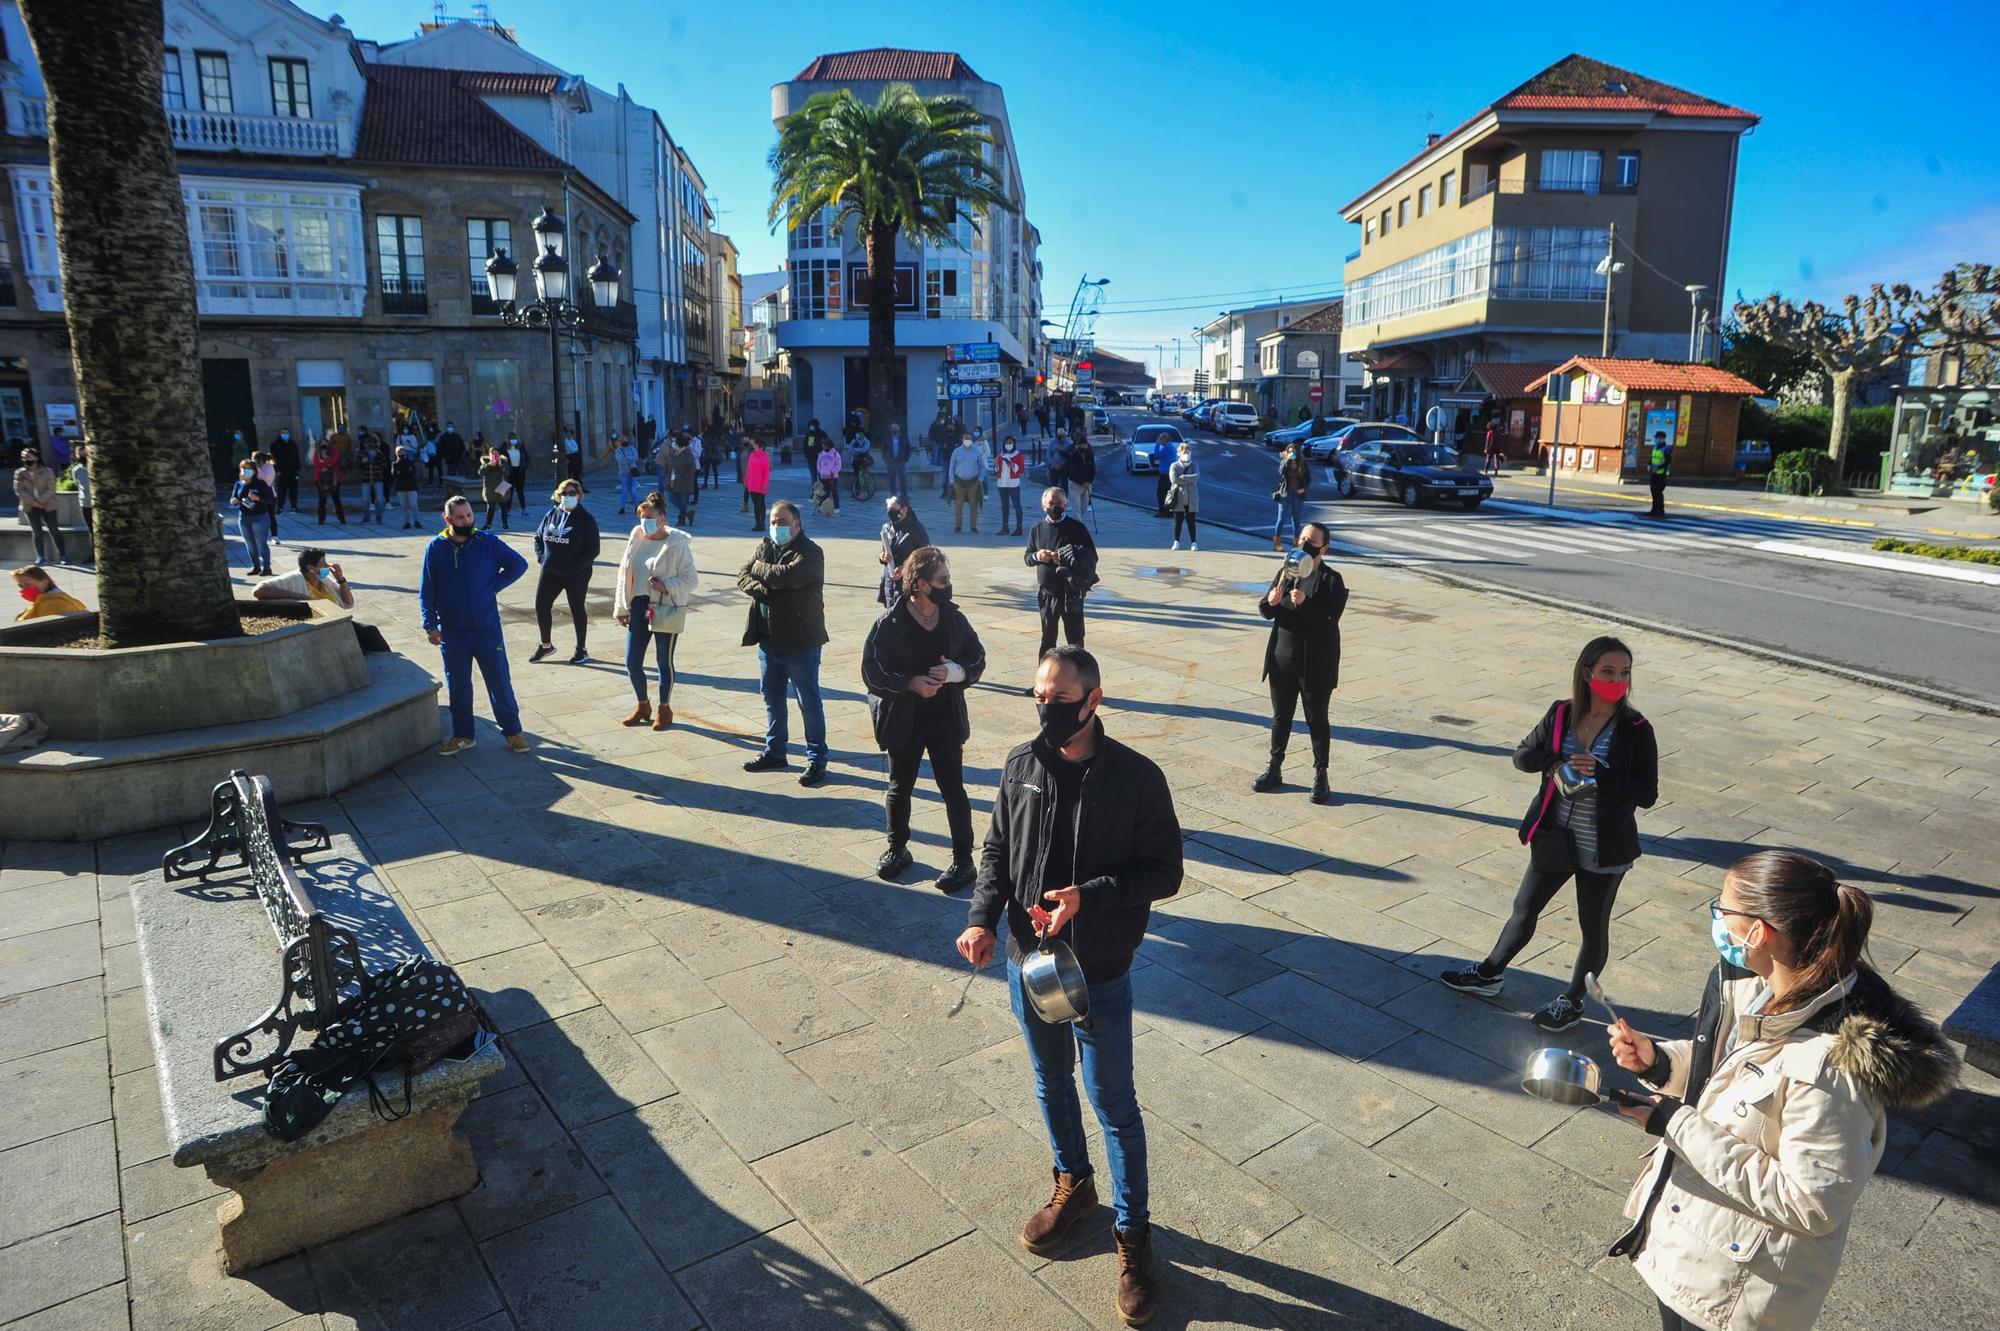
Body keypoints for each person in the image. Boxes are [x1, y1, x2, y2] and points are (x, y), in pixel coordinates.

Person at [1605, 850, 1957, 1331]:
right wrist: (1660, 1060)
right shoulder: (1760, 988)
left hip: (1739, 1288)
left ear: (1758, 932)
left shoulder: (1830, 1067)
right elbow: (1735, 1074)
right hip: (1696, 1245)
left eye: (1722, 910)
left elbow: (1812, 1201)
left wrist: (1676, 1123)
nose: (1717, 919)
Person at [956, 645, 1182, 1329]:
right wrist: (980, 919)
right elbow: (996, 849)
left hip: (1101, 969)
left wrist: (1089, 896)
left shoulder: (1138, 778)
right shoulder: (1022, 765)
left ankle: (1133, 1234)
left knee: (1113, 1100)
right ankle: (1073, 1182)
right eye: (1038, 695)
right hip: (1029, 963)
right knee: (1050, 1081)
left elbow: (1164, 872)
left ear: (1093, 699)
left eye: (1058, 696)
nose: (1045, 707)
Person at [1440, 635, 1660, 1032]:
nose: (1618, 679)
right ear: (1587, 673)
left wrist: (1604, 774)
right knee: (1524, 908)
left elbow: (1647, 794)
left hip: (1603, 846)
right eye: (1608, 671)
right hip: (1556, 834)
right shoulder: (1562, 713)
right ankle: (1490, 974)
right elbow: (1522, 756)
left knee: (1592, 927)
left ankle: (1573, 1001)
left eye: (1625, 672)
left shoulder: (1636, 729)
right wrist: (1558, 763)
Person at [862, 546, 986, 892]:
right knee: (900, 787)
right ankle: (897, 849)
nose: (948, 585)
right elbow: (872, 672)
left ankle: (963, 860)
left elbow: (977, 657)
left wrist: (955, 672)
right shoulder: (890, 623)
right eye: (942, 579)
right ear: (919, 584)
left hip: (945, 717)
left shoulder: (952, 618)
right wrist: (911, 683)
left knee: (953, 789)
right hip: (905, 718)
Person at [421, 496, 531, 755]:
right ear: (448, 520)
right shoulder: (436, 548)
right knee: (458, 684)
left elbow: (519, 564)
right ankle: (463, 735)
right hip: (452, 631)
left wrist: (492, 587)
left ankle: (513, 732)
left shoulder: (487, 542)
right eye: (460, 517)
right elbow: (427, 589)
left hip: (486, 627)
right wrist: (430, 624)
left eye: (469, 515)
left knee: (499, 681)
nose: (467, 521)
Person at [737, 500, 830, 786]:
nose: (776, 526)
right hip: (768, 639)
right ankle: (775, 750)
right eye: (773, 521)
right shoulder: (765, 548)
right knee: (772, 697)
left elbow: (788, 577)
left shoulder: (811, 552)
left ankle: (817, 759)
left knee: (808, 700)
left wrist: (761, 572)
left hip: (801, 640)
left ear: (797, 524)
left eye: (782, 521)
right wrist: (765, 584)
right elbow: (743, 576)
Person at [1253, 523, 1346, 803]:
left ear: (1324, 548)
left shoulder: (1332, 580)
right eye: (1303, 538)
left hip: (1315, 663)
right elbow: (1265, 611)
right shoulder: (1287, 572)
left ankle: (1321, 775)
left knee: (1316, 720)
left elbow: (1330, 621)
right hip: (1282, 658)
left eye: (1312, 541)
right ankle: (1275, 768)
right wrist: (1270, 601)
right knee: (1281, 717)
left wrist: (1306, 603)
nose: (1305, 544)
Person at [615, 492, 697, 731]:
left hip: (665, 606)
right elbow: (624, 574)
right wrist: (622, 607)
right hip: (639, 606)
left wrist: (666, 586)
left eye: (649, 517)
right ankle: (643, 705)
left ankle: (664, 708)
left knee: (663, 660)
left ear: (662, 518)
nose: (644, 522)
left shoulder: (677, 544)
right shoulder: (637, 538)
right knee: (632, 662)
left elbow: (691, 579)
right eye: (642, 517)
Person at [253, 547, 391, 653]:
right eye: (323, 563)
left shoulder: (324, 579)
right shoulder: (294, 579)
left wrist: (341, 580)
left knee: (370, 631)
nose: (327, 565)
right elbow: (258, 590)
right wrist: (291, 594)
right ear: (311, 568)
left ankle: (391, 662)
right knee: (358, 646)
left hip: (339, 622)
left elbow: (348, 603)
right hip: (321, 627)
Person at [1024, 487, 1097, 687]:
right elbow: (1027, 557)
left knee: (1075, 641)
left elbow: (1091, 556)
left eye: (1059, 504)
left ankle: (1082, 683)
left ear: (1066, 504)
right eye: (1051, 504)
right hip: (1047, 594)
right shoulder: (1037, 528)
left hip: (1071, 593)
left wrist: (1066, 556)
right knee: (1047, 639)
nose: (1055, 507)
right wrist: (1037, 556)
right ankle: (1043, 683)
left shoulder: (1076, 527)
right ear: (1043, 505)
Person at [529, 477, 602, 665]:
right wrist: (542, 557)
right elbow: (538, 538)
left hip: (576, 573)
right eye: (564, 493)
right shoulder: (551, 514)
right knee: (541, 605)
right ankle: (546, 645)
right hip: (551, 570)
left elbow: (594, 549)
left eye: (572, 493)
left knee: (577, 608)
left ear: (579, 496)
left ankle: (581, 649)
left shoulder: (586, 519)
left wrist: (576, 565)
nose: (567, 496)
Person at [12, 448, 65, 565]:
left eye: (29, 456)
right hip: (30, 506)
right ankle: (40, 556)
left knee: (54, 530)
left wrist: (41, 501)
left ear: (36, 458)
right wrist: (33, 502)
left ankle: (62, 555)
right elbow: (19, 490)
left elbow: (51, 489)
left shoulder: (47, 471)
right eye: (24, 457)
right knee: (37, 532)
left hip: (48, 505)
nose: (26, 459)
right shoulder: (20, 473)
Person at [877, 494, 930, 609]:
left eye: (893, 510)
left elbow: (926, 555)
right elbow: (884, 550)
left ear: (904, 509)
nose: (890, 513)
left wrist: (905, 567)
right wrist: (882, 557)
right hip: (890, 580)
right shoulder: (886, 527)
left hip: (909, 582)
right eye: (889, 510)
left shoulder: (916, 529)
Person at [230, 457, 276, 576]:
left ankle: (266, 567)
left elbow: (270, 499)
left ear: (254, 471)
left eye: (248, 469)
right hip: (244, 517)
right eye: (243, 469)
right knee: (249, 544)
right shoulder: (239, 484)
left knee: (261, 543)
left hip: (260, 516)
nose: (245, 471)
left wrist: (258, 498)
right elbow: (233, 498)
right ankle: (256, 566)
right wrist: (234, 500)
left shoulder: (260, 483)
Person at [1273, 442, 1310, 553]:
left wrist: (1304, 488)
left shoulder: (1302, 463)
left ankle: (1296, 545)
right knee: (1281, 519)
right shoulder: (1286, 462)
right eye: (1289, 451)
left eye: (1293, 451)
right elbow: (1281, 472)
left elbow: (1308, 478)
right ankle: (1277, 544)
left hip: (1298, 495)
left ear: (1297, 452)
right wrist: (1286, 459)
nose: (1291, 453)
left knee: (1296, 520)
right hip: (1285, 493)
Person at [12, 564, 85, 620]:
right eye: (21, 586)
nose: (24, 589)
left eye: (28, 584)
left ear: (45, 582)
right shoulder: (43, 599)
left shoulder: (53, 604)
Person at [947, 432, 985, 532]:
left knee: (973, 505)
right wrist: (952, 481)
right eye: (966, 438)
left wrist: (980, 480)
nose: (967, 440)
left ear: (972, 440)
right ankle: (958, 525)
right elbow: (951, 466)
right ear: (962, 439)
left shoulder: (977, 451)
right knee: (959, 504)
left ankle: (973, 526)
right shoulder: (956, 451)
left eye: (969, 438)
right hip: (959, 482)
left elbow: (982, 466)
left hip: (973, 482)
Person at [1166, 441, 1200, 551]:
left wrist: (1184, 477)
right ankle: (1176, 542)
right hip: (1179, 497)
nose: (1187, 454)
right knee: (1178, 520)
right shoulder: (1174, 466)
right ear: (1179, 453)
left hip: (1191, 497)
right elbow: (1174, 480)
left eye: (1188, 452)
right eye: (1184, 452)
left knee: (1191, 521)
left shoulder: (1194, 465)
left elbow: (1197, 477)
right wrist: (1189, 479)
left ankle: (1194, 543)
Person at [664, 434, 700, 528]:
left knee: (683, 501)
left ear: (679, 445)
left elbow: (692, 468)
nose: (674, 444)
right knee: (671, 498)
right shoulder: (673, 453)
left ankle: (681, 520)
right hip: (672, 481)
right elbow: (668, 465)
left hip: (683, 482)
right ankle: (688, 512)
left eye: (675, 443)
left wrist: (686, 478)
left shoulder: (687, 454)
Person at [995, 435, 1027, 535]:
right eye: (1007, 443)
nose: (1008, 445)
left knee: (1017, 506)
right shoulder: (1001, 455)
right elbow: (997, 470)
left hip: (1013, 484)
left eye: (1010, 443)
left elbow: (1021, 469)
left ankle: (1019, 528)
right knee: (1004, 506)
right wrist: (996, 464)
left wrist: (1013, 465)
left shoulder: (1018, 455)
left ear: (1014, 444)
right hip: (1002, 483)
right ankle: (1005, 527)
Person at [355, 433, 388, 524]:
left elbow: (385, 465)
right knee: (365, 500)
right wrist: (362, 462)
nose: (370, 445)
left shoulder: (379, 453)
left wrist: (376, 457)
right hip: (366, 479)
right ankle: (366, 517)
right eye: (367, 443)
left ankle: (379, 517)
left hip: (377, 478)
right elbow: (357, 466)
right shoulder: (361, 453)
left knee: (380, 499)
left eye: (372, 443)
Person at [313, 439, 346, 525]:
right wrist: (328, 463)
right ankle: (321, 519)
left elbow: (335, 460)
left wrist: (324, 462)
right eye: (322, 444)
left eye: (326, 444)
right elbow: (317, 463)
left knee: (336, 499)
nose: (324, 446)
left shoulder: (333, 452)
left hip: (334, 478)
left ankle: (341, 518)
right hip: (321, 479)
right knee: (322, 499)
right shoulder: (317, 453)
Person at [479, 447, 513, 530]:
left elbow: (507, 473)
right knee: (491, 507)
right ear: (489, 455)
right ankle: (488, 524)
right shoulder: (486, 462)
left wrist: (500, 464)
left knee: (503, 506)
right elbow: (480, 472)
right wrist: (489, 465)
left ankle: (505, 523)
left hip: (501, 487)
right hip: (490, 488)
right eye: (492, 454)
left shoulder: (503, 462)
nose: (494, 455)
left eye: (496, 453)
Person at [744, 437, 771, 531]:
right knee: (755, 505)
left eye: (754, 443)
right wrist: (746, 480)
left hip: (760, 483)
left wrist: (765, 483)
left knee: (761, 504)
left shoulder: (764, 456)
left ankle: (762, 523)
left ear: (758, 445)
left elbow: (766, 471)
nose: (752, 445)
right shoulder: (751, 454)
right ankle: (757, 523)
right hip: (752, 483)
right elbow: (748, 468)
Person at [271, 427, 302, 512]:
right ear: (280, 434)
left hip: (292, 470)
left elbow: (296, 457)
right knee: (281, 490)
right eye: (284, 433)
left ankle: (294, 507)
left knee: (294, 489)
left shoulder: (292, 444)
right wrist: (277, 470)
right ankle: (280, 507)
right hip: (282, 471)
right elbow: (273, 459)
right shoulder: (275, 444)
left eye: (287, 433)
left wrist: (298, 469)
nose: (285, 435)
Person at [1065, 432, 1096, 514]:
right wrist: (1082, 482)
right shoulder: (1073, 455)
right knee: (1076, 507)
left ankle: (1079, 523)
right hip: (1075, 484)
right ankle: (1078, 524)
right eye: (1081, 445)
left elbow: (1093, 469)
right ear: (1077, 445)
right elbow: (1072, 471)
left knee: (1084, 506)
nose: (1084, 446)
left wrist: (1089, 481)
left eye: (1085, 445)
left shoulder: (1089, 454)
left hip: (1087, 485)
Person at [392, 445, 421, 529]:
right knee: (404, 506)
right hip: (401, 488)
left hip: (411, 487)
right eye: (400, 452)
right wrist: (405, 472)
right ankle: (406, 522)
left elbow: (413, 473)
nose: (402, 454)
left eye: (403, 452)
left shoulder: (410, 462)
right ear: (397, 454)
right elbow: (394, 475)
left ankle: (416, 521)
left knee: (413, 505)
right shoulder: (395, 464)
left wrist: (401, 472)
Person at [813, 435, 843, 516]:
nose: (823, 446)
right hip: (823, 476)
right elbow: (818, 464)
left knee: (834, 492)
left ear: (829, 445)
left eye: (825, 445)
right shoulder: (821, 454)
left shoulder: (835, 454)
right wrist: (820, 471)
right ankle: (826, 507)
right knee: (825, 493)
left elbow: (838, 465)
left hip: (832, 477)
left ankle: (836, 507)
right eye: (823, 445)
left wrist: (832, 472)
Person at [613, 435, 642, 515]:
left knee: (633, 491)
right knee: (624, 491)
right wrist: (630, 459)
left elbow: (636, 457)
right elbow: (620, 460)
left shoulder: (632, 448)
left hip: (632, 472)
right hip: (623, 473)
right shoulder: (618, 451)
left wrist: (627, 459)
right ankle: (622, 508)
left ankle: (637, 507)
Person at [1647, 430, 1673, 518]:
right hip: (1653, 473)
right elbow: (1652, 458)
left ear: (1662, 438)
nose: (1656, 439)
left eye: (1657, 438)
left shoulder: (1666, 449)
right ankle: (1654, 510)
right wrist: (1649, 465)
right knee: (1653, 492)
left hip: (1661, 474)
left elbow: (1667, 462)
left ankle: (1661, 511)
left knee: (1658, 493)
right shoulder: (1655, 447)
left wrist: (1658, 468)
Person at [883, 422, 912, 499]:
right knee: (892, 479)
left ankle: (904, 495)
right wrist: (886, 460)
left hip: (901, 461)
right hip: (891, 462)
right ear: (890, 429)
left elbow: (909, 448)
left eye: (896, 427)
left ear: (899, 428)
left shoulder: (904, 437)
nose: (894, 429)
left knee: (903, 479)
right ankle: (893, 494)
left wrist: (906, 459)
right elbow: (883, 450)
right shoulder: (887, 437)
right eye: (893, 427)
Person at [69, 442, 91, 537]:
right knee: (91, 530)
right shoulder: (76, 470)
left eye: (85, 454)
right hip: (85, 504)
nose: (83, 457)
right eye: (80, 455)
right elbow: (78, 485)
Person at [1151, 435, 1175, 516]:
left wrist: (1157, 444)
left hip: (1165, 473)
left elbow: (1157, 455)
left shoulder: (1167, 447)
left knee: (1161, 493)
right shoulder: (1170, 446)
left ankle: (1163, 511)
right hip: (1169, 473)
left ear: (1164, 440)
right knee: (1168, 493)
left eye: (1160, 440)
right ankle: (1169, 512)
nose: (1160, 442)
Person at [849, 429, 873, 499]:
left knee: (864, 476)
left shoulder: (866, 441)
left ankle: (868, 490)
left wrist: (855, 449)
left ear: (863, 434)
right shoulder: (854, 440)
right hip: (855, 460)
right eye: (858, 433)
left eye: (860, 433)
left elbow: (864, 450)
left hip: (864, 461)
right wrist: (857, 450)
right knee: (857, 476)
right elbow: (850, 449)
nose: (859, 435)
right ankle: (857, 492)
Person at [505, 432, 527, 501]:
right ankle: (508, 508)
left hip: (519, 471)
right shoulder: (504, 448)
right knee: (509, 491)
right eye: (511, 438)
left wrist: (524, 467)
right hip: (510, 471)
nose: (513, 440)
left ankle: (523, 508)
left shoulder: (521, 448)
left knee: (520, 491)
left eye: (514, 438)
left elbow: (526, 458)